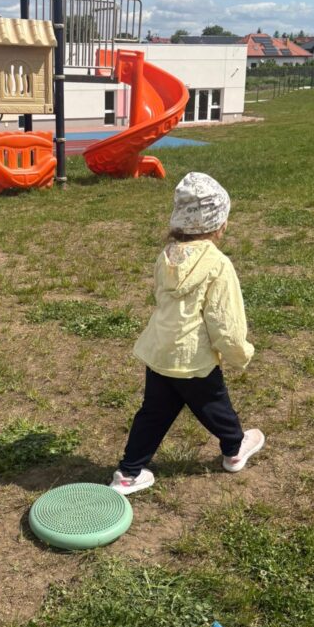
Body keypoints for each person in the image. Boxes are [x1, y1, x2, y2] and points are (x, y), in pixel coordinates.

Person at [109, 172, 264, 495]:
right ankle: (235, 449)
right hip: (193, 358)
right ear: (219, 224)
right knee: (214, 405)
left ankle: (128, 473)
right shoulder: (218, 265)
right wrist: (240, 353)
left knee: (153, 413)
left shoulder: (165, 256)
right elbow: (225, 322)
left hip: (160, 352)